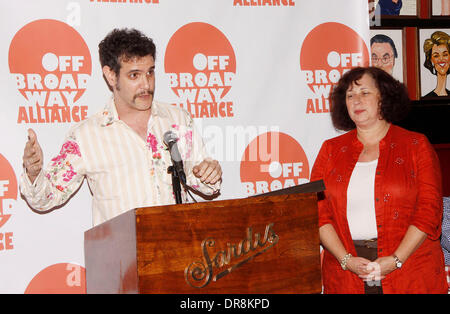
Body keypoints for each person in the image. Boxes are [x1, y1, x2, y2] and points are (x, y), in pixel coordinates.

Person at [20, 28, 222, 226]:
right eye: (134, 75)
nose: (146, 85)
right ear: (110, 76)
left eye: (150, 72)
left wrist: (209, 173)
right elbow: (46, 199)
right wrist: (33, 172)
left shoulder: (177, 119)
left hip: (179, 251)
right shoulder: (86, 135)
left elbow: (207, 186)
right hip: (121, 257)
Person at [311, 66, 447, 294]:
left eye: (364, 93)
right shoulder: (330, 150)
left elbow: (429, 211)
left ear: (384, 97)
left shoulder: (416, 145)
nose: (356, 100)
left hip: (409, 271)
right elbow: (317, 212)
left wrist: (396, 260)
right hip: (346, 275)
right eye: (350, 95)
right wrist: (346, 261)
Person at [423, 31, 450, 97]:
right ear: (431, 60)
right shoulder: (427, 98)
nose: (441, 59)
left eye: (445, 54)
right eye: (436, 56)